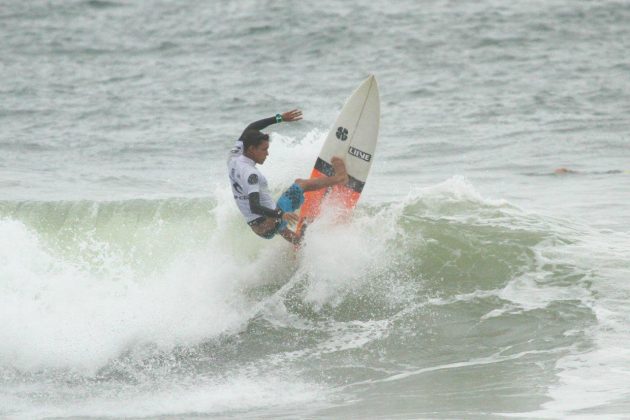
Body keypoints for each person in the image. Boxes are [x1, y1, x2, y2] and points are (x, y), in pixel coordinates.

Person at [227, 109, 348, 244]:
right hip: (269, 223)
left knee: (273, 205)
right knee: (301, 184)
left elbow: (251, 128)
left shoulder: (234, 156)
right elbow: (254, 206)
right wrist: (281, 214)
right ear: (251, 149)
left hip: (258, 227)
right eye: (264, 149)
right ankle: (339, 178)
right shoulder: (251, 174)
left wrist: (280, 118)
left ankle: (297, 241)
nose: (267, 153)